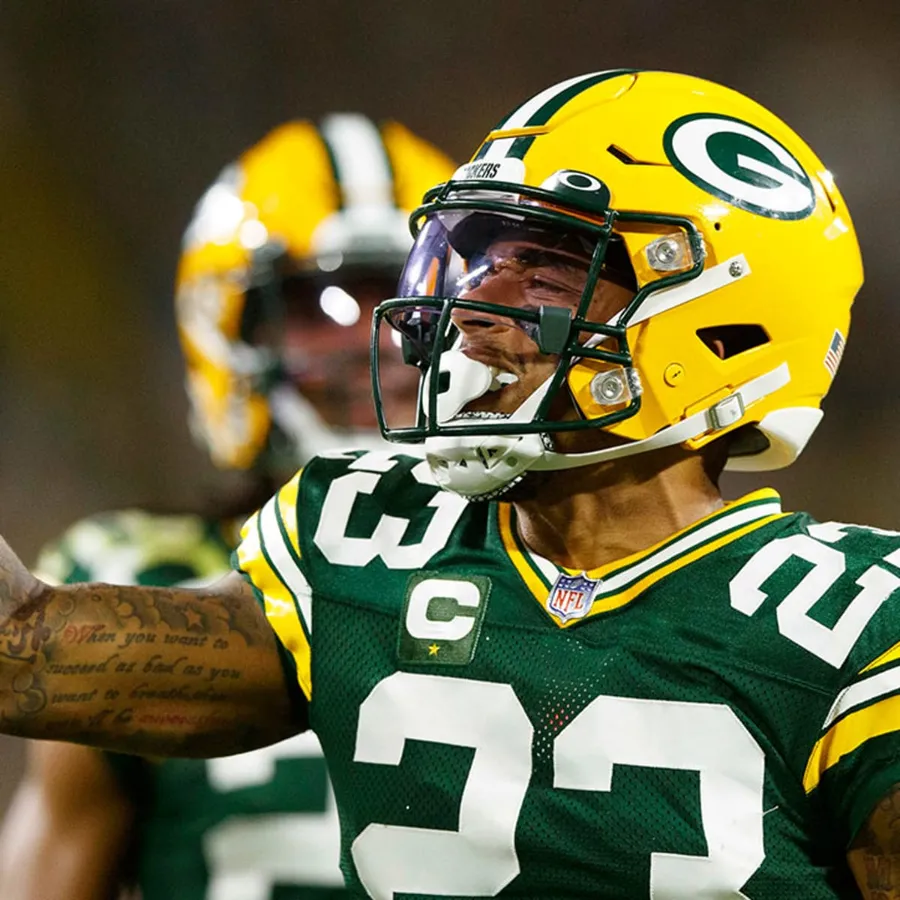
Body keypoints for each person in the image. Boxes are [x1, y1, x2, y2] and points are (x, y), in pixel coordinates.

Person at [0, 69, 894, 899]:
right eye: (479, 261)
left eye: (548, 268)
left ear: (724, 328)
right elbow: (21, 652)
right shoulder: (366, 535)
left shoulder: (854, 626)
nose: (471, 307)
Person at [0, 113, 455, 900]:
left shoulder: (552, 561)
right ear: (229, 334)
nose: (377, 341)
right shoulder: (138, 573)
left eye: (405, 300)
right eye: (321, 305)